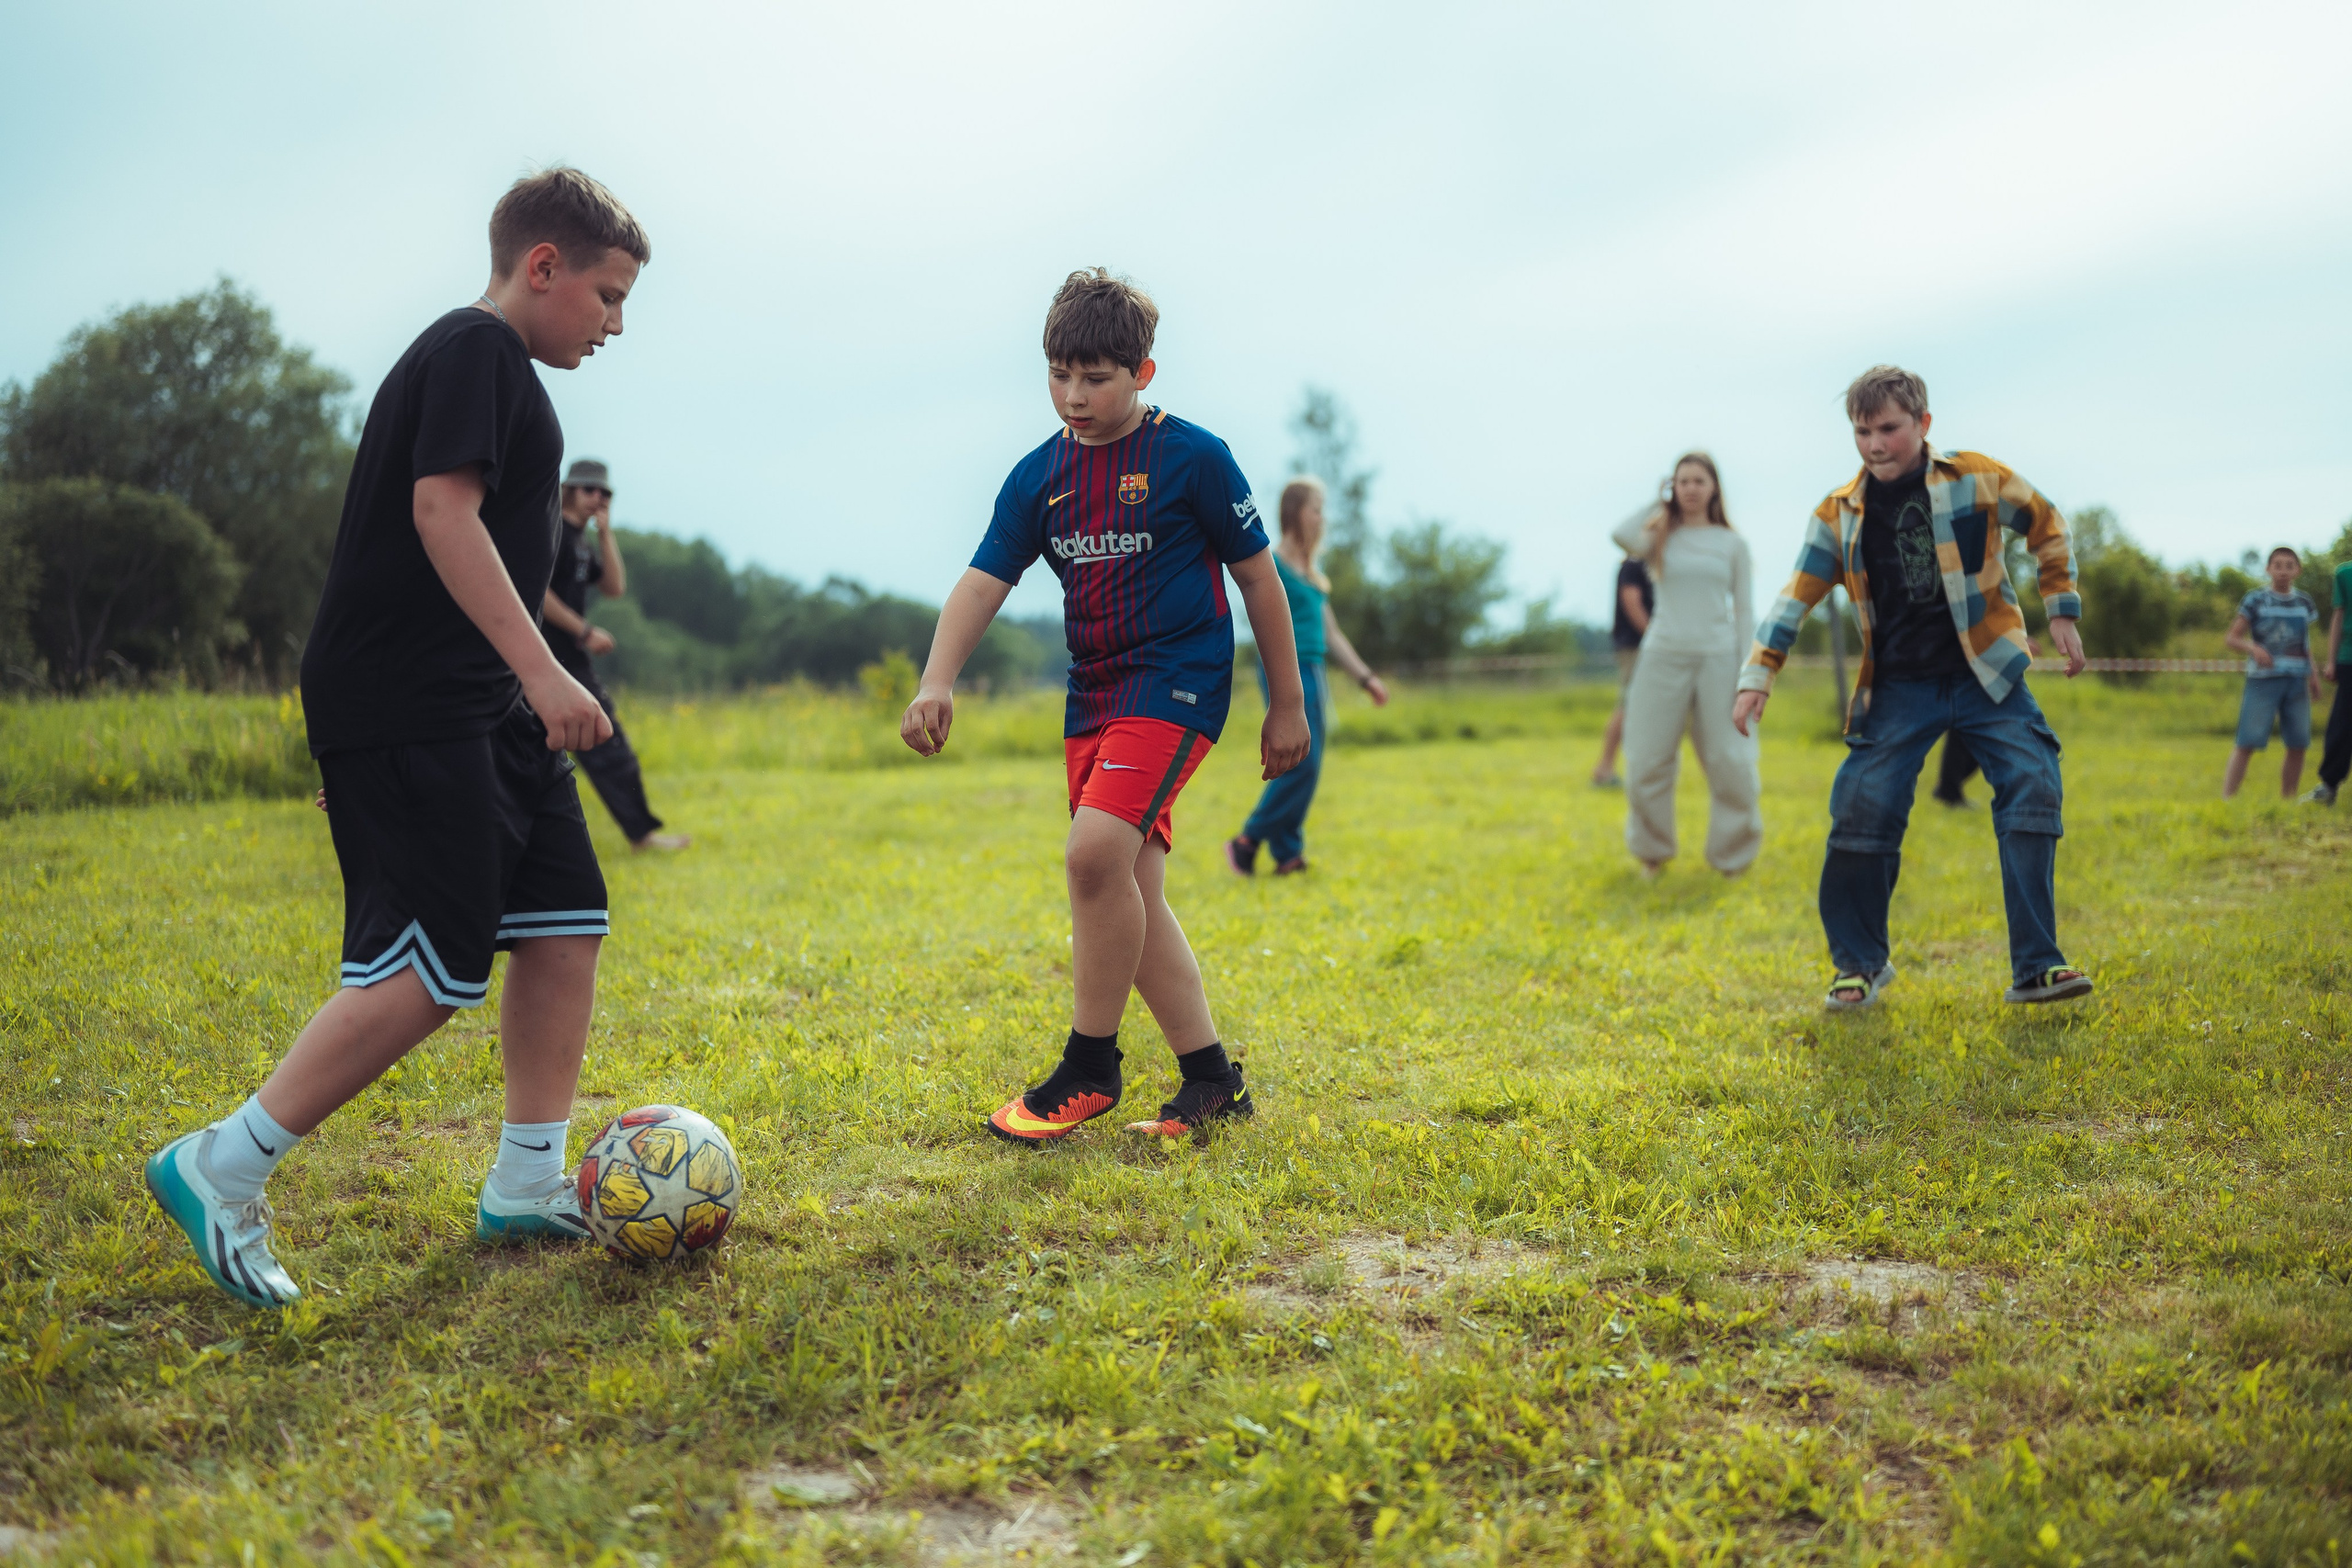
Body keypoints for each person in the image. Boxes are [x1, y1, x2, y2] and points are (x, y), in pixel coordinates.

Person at [143, 169, 650, 1308]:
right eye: (609, 296)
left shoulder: (498, 369)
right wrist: (542, 671)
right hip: (420, 702)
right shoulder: (474, 351)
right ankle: (220, 1164)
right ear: (543, 267)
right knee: (432, 969)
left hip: (474, 709)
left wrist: (509, 695)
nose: (616, 324)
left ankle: (525, 1184)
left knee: (564, 922)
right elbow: (438, 513)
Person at [899, 268, 1310, 1145]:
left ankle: (1089, 1066)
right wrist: (937, 679)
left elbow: (1260, 583)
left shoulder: (1193, 456)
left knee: (1092, 858)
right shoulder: (1037, 477)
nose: (1074, 396)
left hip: (1179, 683)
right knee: (1130, 888)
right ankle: (1212, 1084)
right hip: (1095, 698)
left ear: (1143, 375)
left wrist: (1288, 704)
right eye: (1059, 374)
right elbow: (982, 584)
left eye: (1096, 377)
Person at [1734, 365, 2094, 1010]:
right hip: (1898, 686)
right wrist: (1758, 675)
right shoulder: (1838, 514)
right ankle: (1859, 964)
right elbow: (1794, 598)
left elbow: (2046, 520)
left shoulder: (1975, 477)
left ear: (1923, 424)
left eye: (1890, 429)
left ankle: (2038, 965)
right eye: (1863, 431)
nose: (1876, 444)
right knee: (1861, 808)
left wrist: (2060, 605)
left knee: (2034, 783)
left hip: (1987, 673)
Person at [1221, 476, 1389, 875]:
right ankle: (1248, 839)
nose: (1321, 517)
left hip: (1314, 667)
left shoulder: (1312, 573)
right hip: (1287, 669)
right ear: (1295, 511)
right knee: (1305, 760)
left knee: (1301, 761)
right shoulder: (1273, 564)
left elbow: (1332, 634)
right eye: (1315, 508)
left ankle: (1288, 853)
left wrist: (1366, 678)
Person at [1611, 453, 1759, 875]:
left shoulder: (1733, 544)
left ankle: (1733, 857)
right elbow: (1620, 535)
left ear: (1714, 487)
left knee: (1731, 759)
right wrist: (1659, 500)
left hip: (1719, 657)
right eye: (1682, 481)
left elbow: (1745, 610)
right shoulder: (1660, 537)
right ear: (1673, 487)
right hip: (1662, 656)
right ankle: (1652, 854)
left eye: (1699, 480)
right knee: (1646, 759)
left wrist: (1751, 671)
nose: (1691, 488)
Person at [540, 458, 689, 851]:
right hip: (542, 659)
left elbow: (614, 588)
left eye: (605, 493)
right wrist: (585, 631)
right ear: (570, 489)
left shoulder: (581, 542)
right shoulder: (550, 532)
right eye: (590, 490)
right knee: (533, 752)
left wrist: (606, 534)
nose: (599, 498)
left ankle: (641, 834)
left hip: (572, 660)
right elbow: (536, 593)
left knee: (608, 743)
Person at [2222, 547, 2322, 799]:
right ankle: (2227, 798)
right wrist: (2253, 648)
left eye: (2289, 566)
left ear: (2297, 570)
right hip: (2262, 681)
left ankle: (2287, 800)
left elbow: (2305, 643)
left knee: (2299, 743)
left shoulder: (2303, 603)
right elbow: (2232, 638)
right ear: (2268, 569)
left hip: (2296, 680)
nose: (2283, 571)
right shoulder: (2255, 600)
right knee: (2247, 741)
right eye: (2278, 565)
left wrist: (2314, 676)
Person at [1590, 547, 1654, 787]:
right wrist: (1654, 640)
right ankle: (1604, 768)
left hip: (1649, 646)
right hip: (1637, 647)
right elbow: (1631, 601)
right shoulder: (1634, 564)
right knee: (1629, 704)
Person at [2308, 548, 2352, 805]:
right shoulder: (2344, 573)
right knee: (2342, 724)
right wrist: (2331, 660)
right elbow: (2338, 616)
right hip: (2349, 658)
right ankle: (2328, 787)